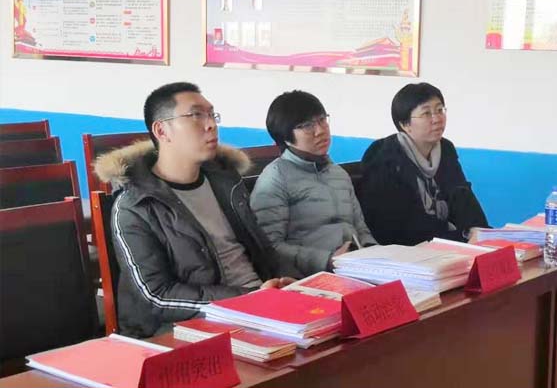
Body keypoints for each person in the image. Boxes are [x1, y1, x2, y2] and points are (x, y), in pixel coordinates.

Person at [95, 82, 291, 338]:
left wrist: (292, 285)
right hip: (191, 326)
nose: (210, 125)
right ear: (162, 130)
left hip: (261, 308)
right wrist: (248, 299)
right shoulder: (136, 205)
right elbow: (157, 296)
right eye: (196, 115)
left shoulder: (227, 183)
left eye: (211, 115)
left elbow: (264, 252)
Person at [250, 90, 376, 278]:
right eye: (307, 126)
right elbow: (269, 246)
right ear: (285, 136)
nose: (320, 131)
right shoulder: (275, 178)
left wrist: (373, 253)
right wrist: (327, 260)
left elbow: (360, 228)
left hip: (353, 269)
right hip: (308, 277)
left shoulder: (338, 174)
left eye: (322, 120)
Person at [359, 82, 490, 246]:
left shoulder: (445, 149)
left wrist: (475, 229)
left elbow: (462, 195)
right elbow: (399, 223)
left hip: (445, 241)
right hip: (405, 247)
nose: (437, 119)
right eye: (426, 113)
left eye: (440, 110)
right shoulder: (384, 155)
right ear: (405, 124)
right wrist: (460, 237)